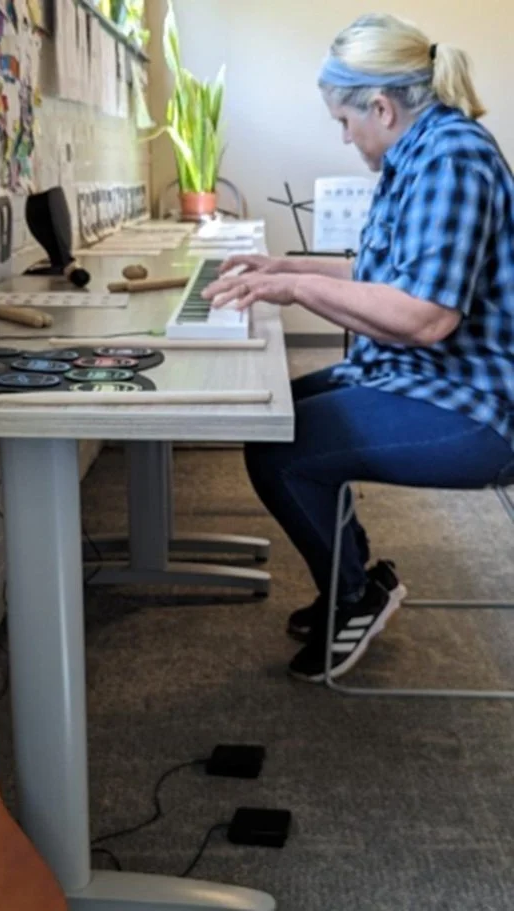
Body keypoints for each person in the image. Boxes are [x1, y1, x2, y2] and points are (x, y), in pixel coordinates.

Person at [201, 12, 514, 683]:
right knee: (277, 413)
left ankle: (352, 595)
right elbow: (382, 279)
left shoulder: (452, 160)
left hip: (478, 404)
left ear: (380, 106)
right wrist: (281, 268)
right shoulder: (418, 156)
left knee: (281, 445)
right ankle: (354, 582)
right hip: (421, 375)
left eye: (345, 122)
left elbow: (422, 316)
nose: (345, 138)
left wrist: (294, 294)